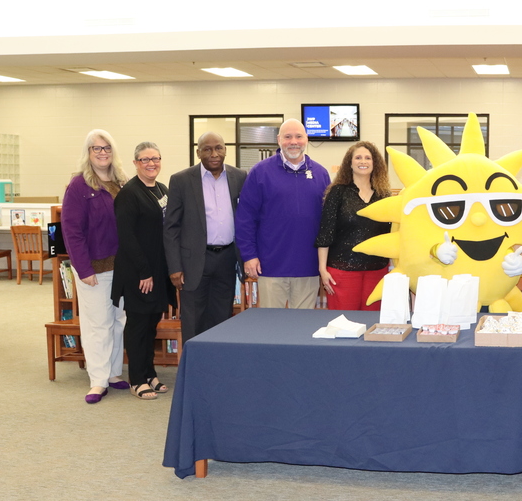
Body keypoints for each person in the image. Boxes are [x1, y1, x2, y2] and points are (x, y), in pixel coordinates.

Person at [60, 129, 130, 404]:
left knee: (117, 321)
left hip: (122, 266)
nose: (102, 153)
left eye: (106, 148)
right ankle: (98, 381)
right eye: (96, 148)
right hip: (94, 268)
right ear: (88, 153)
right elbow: (72, 231)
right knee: (97, 324)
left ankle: (113, 373)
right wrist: (83, 269)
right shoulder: (79, 185)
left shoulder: (121, 182)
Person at [235, 119, 331, 308]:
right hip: (270, 265)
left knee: (302, 328)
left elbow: (328, 223)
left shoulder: (321, 174)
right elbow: (245, 218)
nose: (293, 141)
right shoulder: (260, 172)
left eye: (298, 136)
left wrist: (324, 263)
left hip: (308, 266)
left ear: (306, 139)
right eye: (288, 137)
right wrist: (249, 255)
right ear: (279, 140)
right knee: (272, 328)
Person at [163, 132, 247, 342]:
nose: (214, 154)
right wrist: (174, 267)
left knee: (222, 319)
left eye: (218, 148)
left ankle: (218, 370)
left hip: (227, 260)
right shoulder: (181, 180)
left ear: (225, 150)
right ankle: (194, 372)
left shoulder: (240, 177)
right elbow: (171, 227)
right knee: (193, 321)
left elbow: (247, 220)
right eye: (207, 149)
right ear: (198, 152)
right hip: (194, 262)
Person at [112, 142, 175, 399]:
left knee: (152, 324)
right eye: (145, 159)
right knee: (138, 324)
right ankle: (136, 378)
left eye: (156, 158)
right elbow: (126, 237)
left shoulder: (162, 189)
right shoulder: (129, 193)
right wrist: (143, 272)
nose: (151, 163)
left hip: (159, 271)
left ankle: (150, 373)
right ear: (136, 163)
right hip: (139, 273)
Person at [315, 142, 392, 310]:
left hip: (377, 271)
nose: (363, 161)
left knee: (372, 325)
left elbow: (390, 234)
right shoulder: (337, 192)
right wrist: (322, 269)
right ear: (349, 163)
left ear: (375, 163)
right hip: (342, 271)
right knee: (343, 325)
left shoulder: (384, 195)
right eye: (358, 157)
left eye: (367, 158)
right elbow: (325, 233)